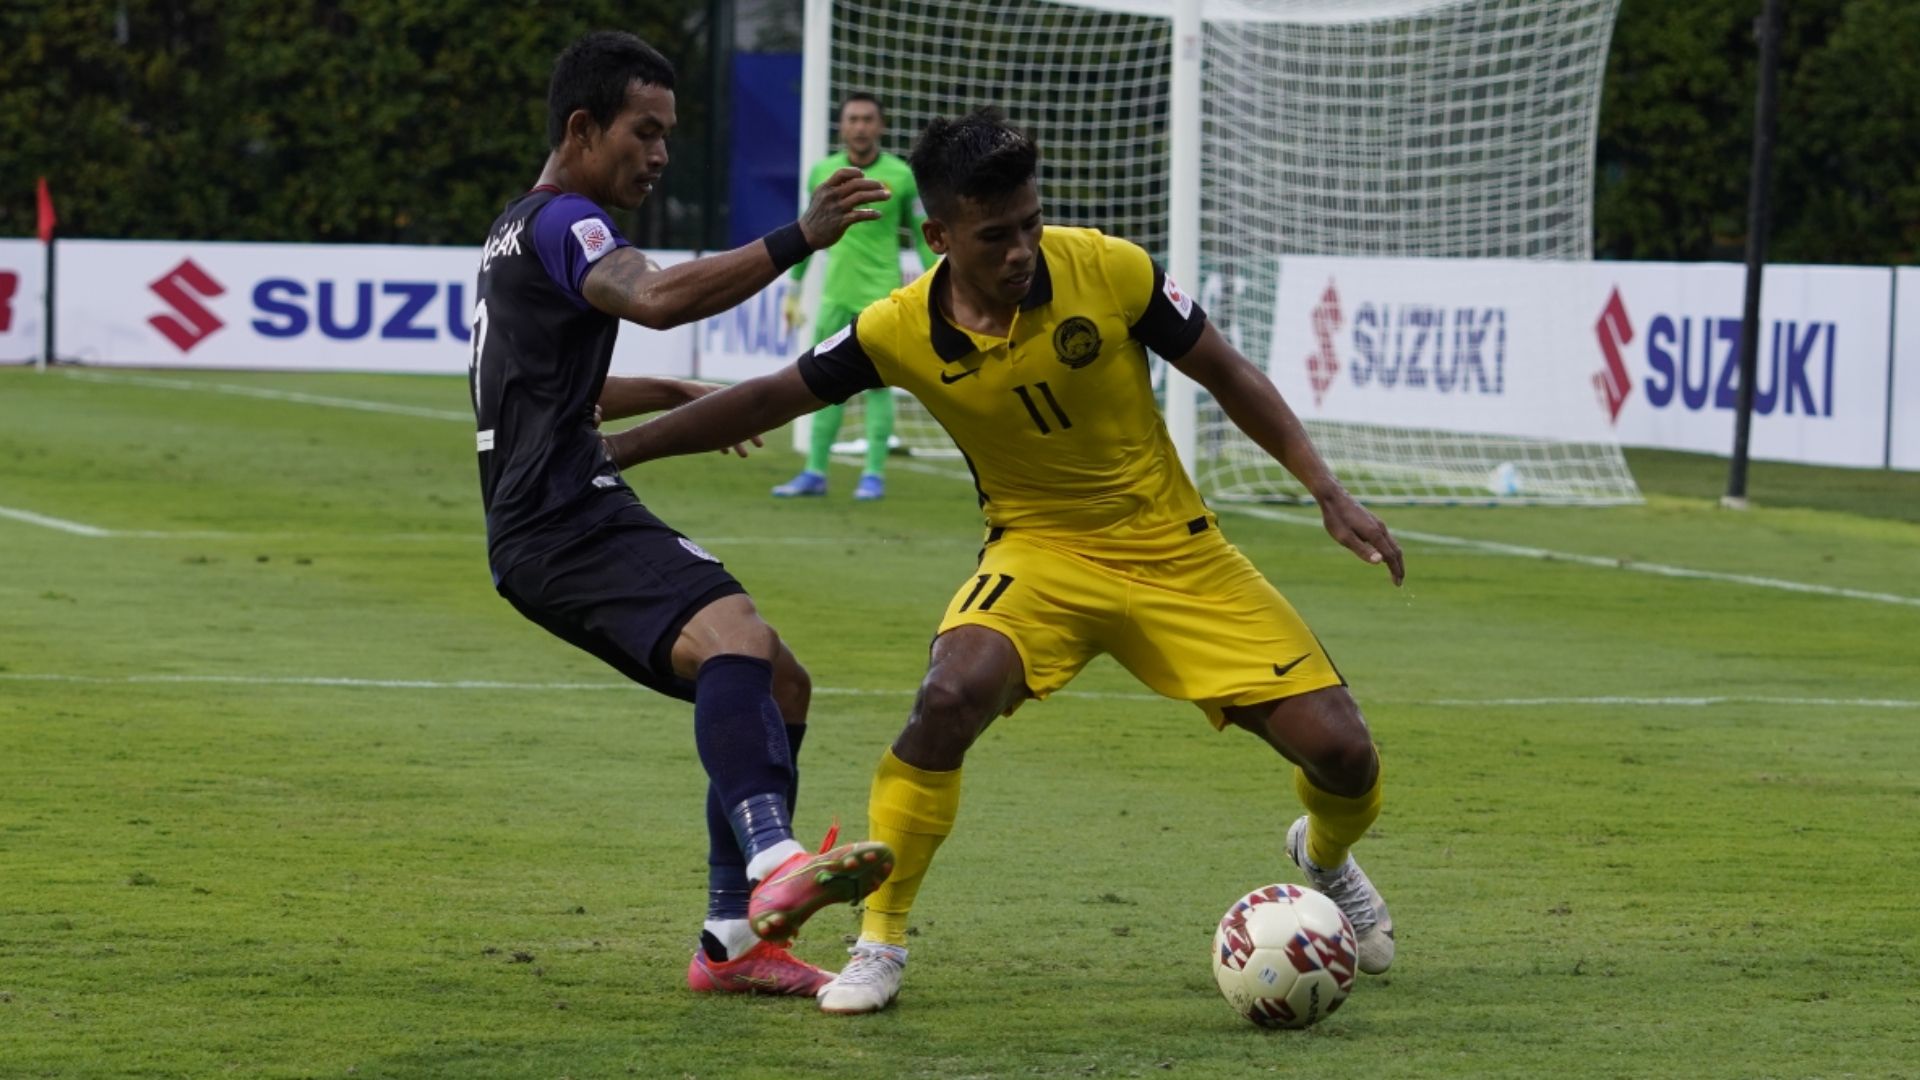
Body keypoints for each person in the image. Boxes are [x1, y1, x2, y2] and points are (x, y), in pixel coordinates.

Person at [604, 108, 1405, 1014]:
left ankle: (1324, 857)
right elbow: (766, 397)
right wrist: (623, 451)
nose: (1023, 248)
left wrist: (1325, 489)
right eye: (996, 235)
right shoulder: (897, 328)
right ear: (940, 236)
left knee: (1344, 756)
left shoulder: (1112, 268)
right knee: (948, 694)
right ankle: (881, 940)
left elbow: (1227, 373)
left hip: (1178, 552)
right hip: (1037, 557)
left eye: (1030, 222)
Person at [468, 30, 897, 997]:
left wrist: (654, 390)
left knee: (782, 685)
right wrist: (799, 237)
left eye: (668, 134)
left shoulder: (513, 226)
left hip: (551, 511)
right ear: (583, 129)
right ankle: (771, 859)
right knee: (733, 635)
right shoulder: (569, 221)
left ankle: (731, 946)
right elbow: (654, 294)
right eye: (644, 132)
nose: (660, 154)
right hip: (561, 518)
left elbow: (534, 390)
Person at [771, 92, 938, 502]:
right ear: (842, 126)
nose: (860, 126)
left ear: (880, 126)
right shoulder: (824, 173)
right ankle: (814, 472)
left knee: (879, 386)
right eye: (853, 119)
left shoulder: (901, 176)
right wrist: (793, 290)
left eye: (868, 119)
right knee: (823, 382)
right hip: (834, 297)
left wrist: (939, 280)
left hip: (882, 296)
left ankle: (874, 475)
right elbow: (804, 234)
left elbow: (921, 235)